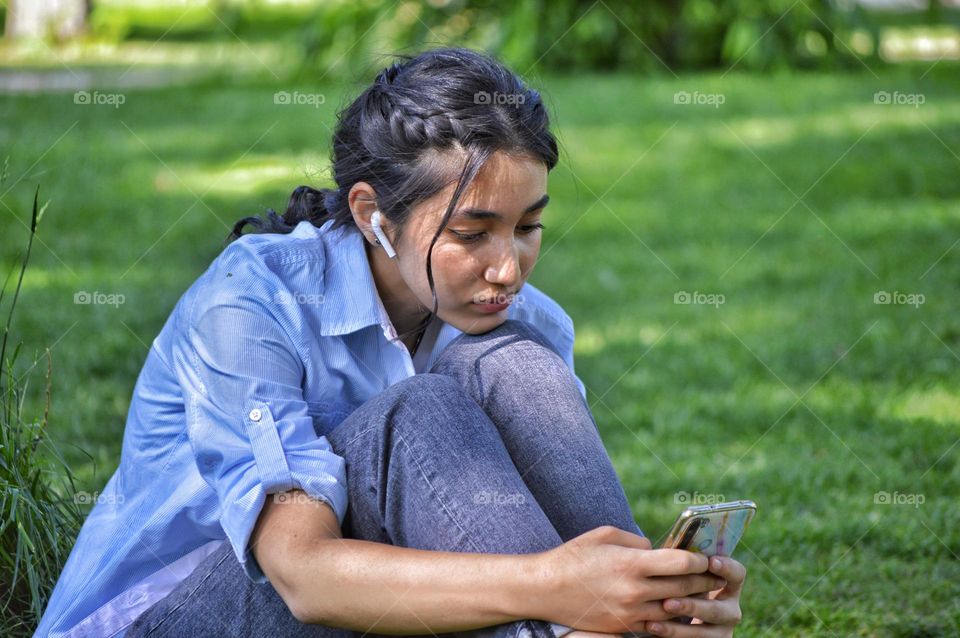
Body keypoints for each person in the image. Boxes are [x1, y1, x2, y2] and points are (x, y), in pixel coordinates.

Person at [35, 47, 746, 638]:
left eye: (528, 227)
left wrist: (658, 599)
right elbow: (303, 576)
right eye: (471, 233)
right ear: (373, 214)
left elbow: (522, 536)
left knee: (516, 360)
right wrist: (554, 586)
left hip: (382, 618)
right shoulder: (252, 301)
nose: (508, 268)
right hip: (176, 618)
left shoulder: (521, 322)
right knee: (420, 412)